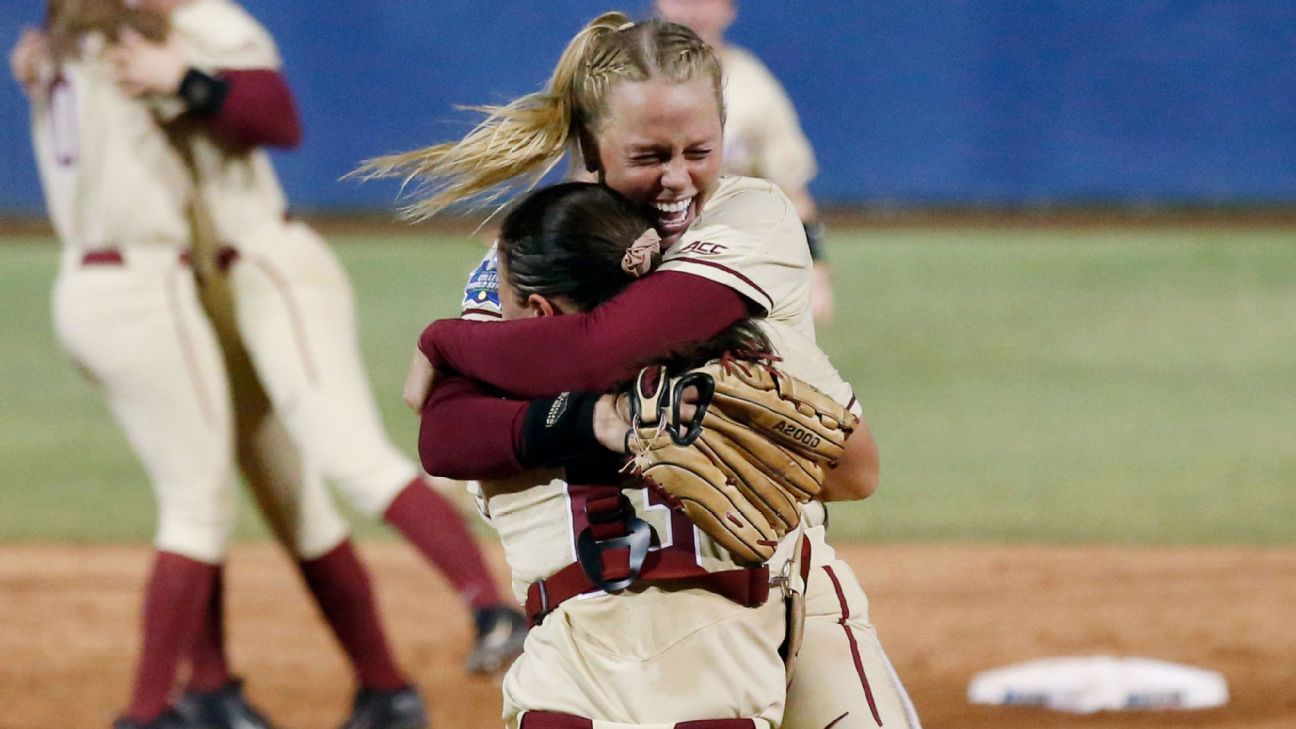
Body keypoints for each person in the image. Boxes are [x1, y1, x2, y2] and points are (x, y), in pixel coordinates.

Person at [369, 12, 921, 729]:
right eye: (648, 154)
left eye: (700, 149)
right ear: (591, 149)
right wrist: (587, 424)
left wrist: (447, 342)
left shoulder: (745, 217)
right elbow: (446, 433)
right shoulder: (528, 258)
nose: (678, 178)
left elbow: (604, 347)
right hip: (607, 625)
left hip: (787, 583)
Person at [11, 4, 422, 729]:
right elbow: (274, 117)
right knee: (198, 503)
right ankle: (148, 712)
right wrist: (188, 74)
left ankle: (211, 686)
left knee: (202, 485)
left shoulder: (55, 55)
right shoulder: (122, 48)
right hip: (147, 286)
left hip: (86, 284)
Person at [105, 0, 528, 689]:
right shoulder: (115, 44)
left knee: (348, 452)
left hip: (270, 270)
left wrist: (185, 78)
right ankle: (372, 685)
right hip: (198, 298)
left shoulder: (213, 25)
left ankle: (492, 610)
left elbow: (278, 118)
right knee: (247, 490)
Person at [419, 181, 858, 727]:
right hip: (726, 684)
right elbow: (859, 472)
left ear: (536, 310)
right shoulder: (752, 354)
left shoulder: (497, 411)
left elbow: (440, 438)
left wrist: (446, 341)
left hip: (566, 697)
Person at [655, 0, 834, 325]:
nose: (693, 12)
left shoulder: (754, 89)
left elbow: (793, 194)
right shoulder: (626, 79)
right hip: (640, 249)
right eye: (681, 0)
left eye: (706, 2)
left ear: (729, 9)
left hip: (725, 261)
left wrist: (817, 274)